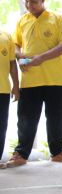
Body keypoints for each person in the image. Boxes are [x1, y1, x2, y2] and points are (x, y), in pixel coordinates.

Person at [6, 0, 62, 167]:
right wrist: (20, 55)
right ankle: (21, 154)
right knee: (26, 119)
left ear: (43, 0)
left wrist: (40, 58)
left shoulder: (57, 19)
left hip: (56, 78)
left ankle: (57, 152)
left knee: (55, 117)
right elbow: (15, 44)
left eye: (34, 1)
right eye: (27, 2)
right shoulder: (23, 21)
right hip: (30, 80)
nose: (30, 5)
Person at [0, 30, 19, 169]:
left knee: (1, 126)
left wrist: (16, 86)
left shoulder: (6, 36)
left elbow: (13, 63)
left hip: (3, 89)